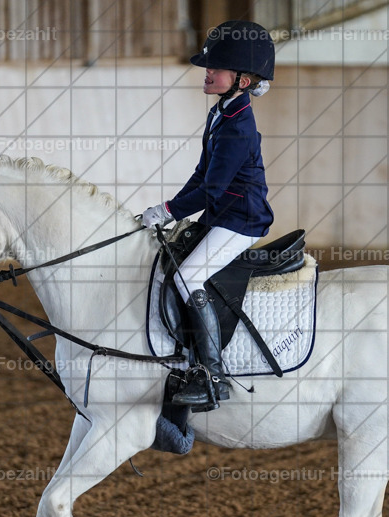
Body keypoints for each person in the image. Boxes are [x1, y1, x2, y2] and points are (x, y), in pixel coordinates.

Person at [141, 20, 276, 411]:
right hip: (221, 214)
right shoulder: (221, 113)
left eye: (216, 69)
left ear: (242, 82)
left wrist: (167, 210)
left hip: (241, 220)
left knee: (187, 277)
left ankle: (213, 377)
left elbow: (211, 190)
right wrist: (169, 209)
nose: (208, 72)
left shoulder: (239, 127)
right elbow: (201, 176)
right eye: (209, 67)